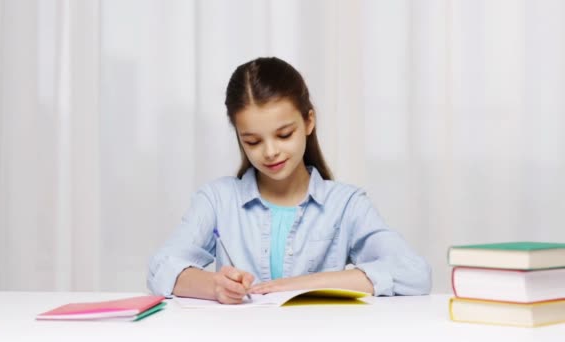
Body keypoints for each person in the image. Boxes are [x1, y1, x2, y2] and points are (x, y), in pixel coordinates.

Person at [147, 57, 431, 304]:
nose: (270, 152)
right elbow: (160, 268)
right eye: (253, 141)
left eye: (284, 135)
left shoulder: (346, 204)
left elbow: (414, 273)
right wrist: (215, 287)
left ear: (308, 122)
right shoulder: (217, 199)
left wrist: (300, 285)